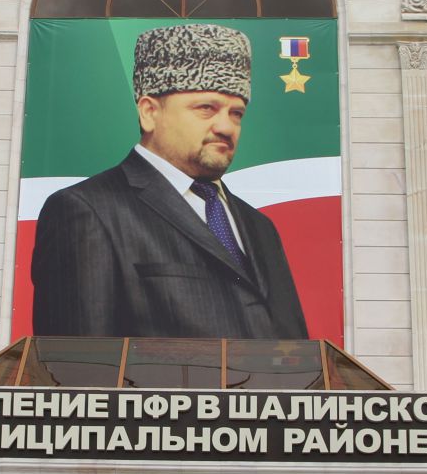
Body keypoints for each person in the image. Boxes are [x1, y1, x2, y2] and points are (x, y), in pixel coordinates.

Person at [31, 23, 309, 340]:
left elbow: (297, 356)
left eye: (237, 113)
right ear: (149, 112)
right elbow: (76, 368)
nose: (226, 127)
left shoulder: (260, 226)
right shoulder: (87, 211)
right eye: (206, 108)